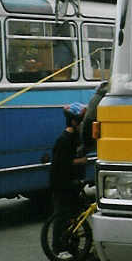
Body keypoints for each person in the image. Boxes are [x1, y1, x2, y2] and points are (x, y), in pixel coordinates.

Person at [49, 103, 88, 251]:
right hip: (62, 184)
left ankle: (72, 247)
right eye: (81, 121)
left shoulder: (74, 137)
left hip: (71, 182)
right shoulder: (64, 140)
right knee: (62, 216)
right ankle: (59, 248)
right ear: (74, 122)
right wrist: (81, 161)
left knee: (73, 215)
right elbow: (62, 163)